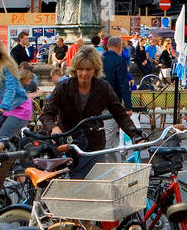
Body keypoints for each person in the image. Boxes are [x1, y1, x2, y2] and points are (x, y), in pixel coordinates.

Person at [40, 45, 144, 179]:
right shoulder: (63, 87)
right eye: (80, 69)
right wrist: (53, 128)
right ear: (75, 69)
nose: (84, 73)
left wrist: (135, 135)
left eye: (88, 69)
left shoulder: (103, 87)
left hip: (94, 143)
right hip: (69, 143)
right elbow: (47, 114)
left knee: (98, 185)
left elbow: (119, 113)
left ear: (95, 70)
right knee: (71, 186)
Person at [102, 36, 133, 110]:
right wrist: (128, 107)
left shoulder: (99, 58)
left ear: (108, 45)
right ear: (119, 46)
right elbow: (123, 83)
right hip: (114, 99)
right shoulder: (120, 60)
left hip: (99, 99)